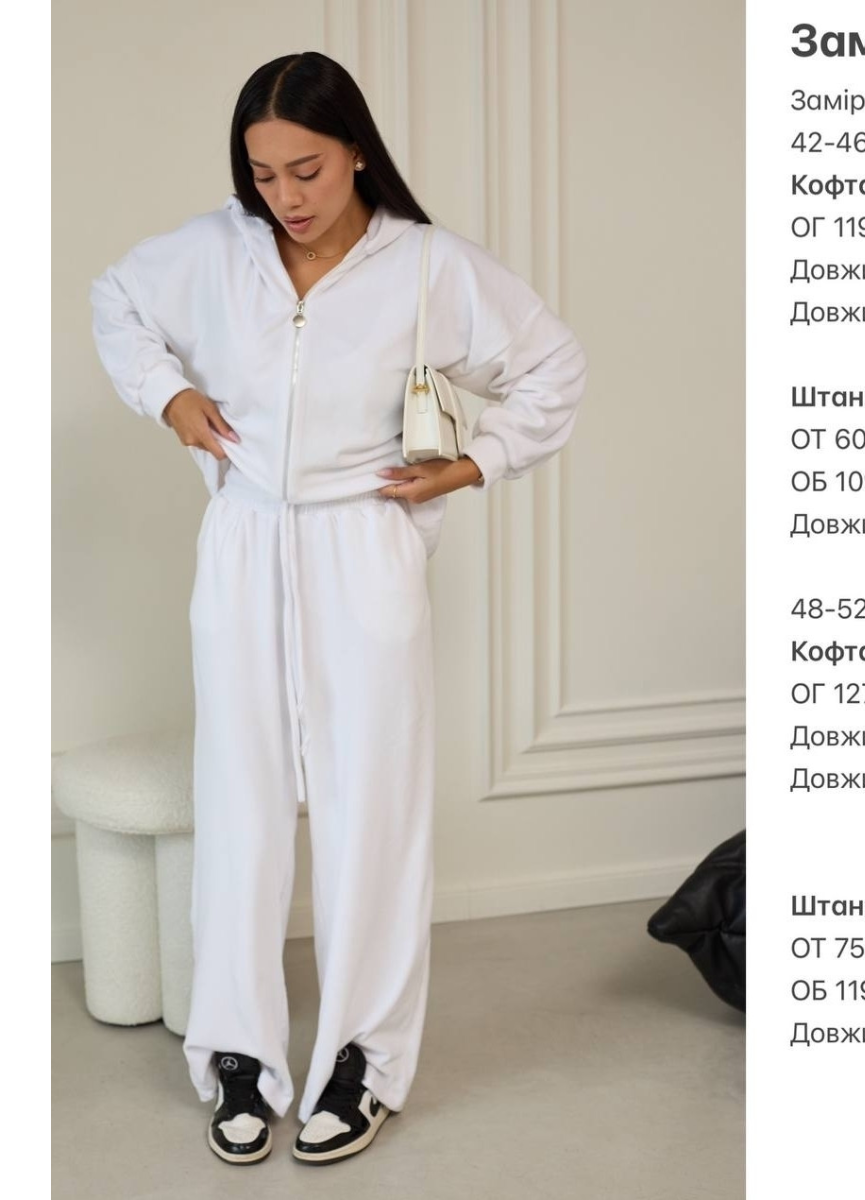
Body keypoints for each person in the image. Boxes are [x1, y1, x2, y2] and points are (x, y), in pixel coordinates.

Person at [89, 50, 587, 1166]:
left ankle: (364, 1060)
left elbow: (553, 366)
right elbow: (113, 298)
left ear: (357, 150)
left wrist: (475, 463)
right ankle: (237, 1054)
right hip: (243, 540)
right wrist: (168, 394)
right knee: (241, 802)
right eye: (263, 175)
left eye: (306, 169)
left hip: (365, 545)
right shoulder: (215, 251)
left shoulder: (431, 267)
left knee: (373, 809)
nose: (286, 197)